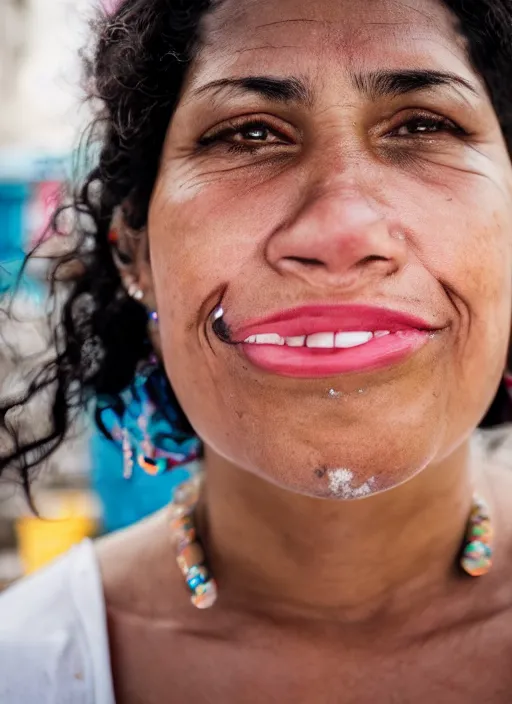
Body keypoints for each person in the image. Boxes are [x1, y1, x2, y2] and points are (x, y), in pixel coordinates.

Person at [1, 0, 512, 700]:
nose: (341, 231)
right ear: (136, 252)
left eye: (424, 125)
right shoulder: (26, 667)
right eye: (248, 134)